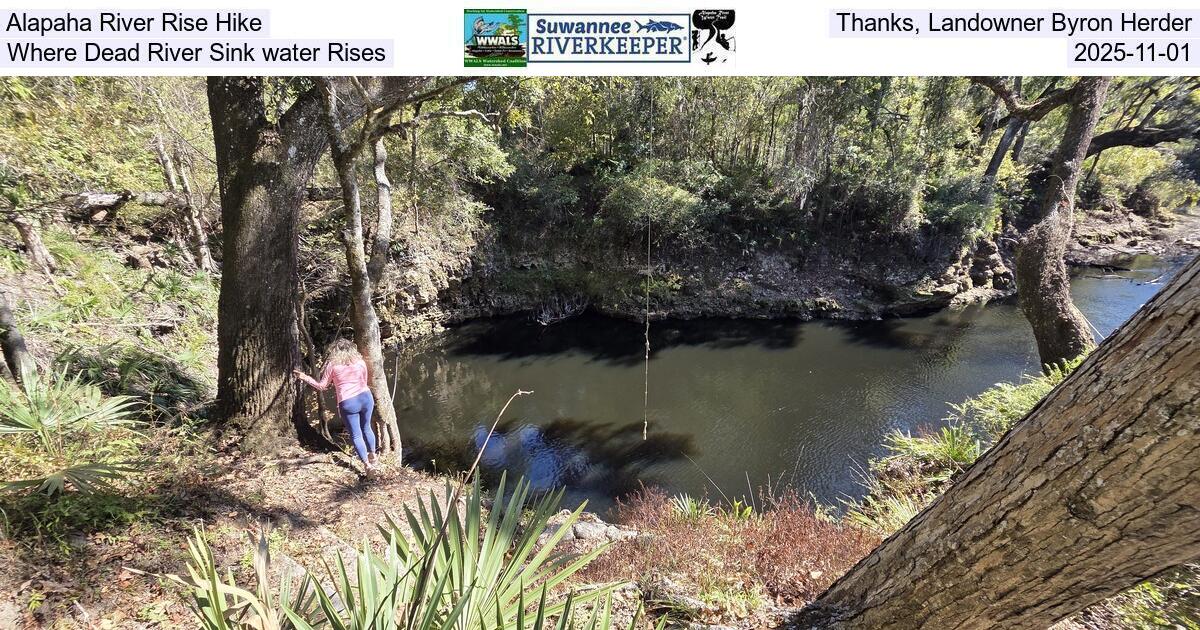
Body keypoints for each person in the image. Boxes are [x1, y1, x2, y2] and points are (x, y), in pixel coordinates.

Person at [294, 339, 378, 472]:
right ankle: (373, 456)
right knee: (367, 428)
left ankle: (367, 466)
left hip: (348, 402)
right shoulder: (360, 362)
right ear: (352, 349)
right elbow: (364, 381)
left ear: (334, 351)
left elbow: (321, 386)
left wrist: (304, 377)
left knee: (356, 435)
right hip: (366, 397)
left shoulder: (332, 365)